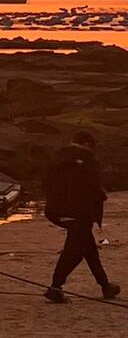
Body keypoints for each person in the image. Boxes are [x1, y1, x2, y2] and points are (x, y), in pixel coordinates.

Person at [43, 130, 120, 303]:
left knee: (88, 249)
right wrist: (101, 195)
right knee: (75, 251)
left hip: (54, 210)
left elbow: (45, 184)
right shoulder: (87, 159)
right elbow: (89, 186)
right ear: (87, 144)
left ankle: (105, 285)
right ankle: (55, 287)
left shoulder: (57, 158)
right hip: (78, 212)